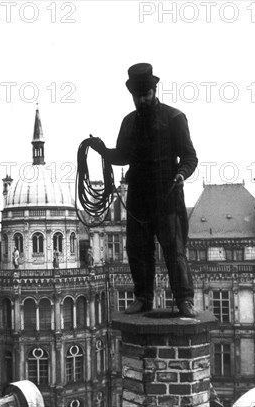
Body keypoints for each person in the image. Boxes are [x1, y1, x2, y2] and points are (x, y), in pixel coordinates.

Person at [92, 63, 198, 318]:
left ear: (154, 90)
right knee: (138, 250)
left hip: (168, 193)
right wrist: (102, 150)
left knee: (174, 249)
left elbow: (190, 157)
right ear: (133, 95)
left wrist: (182, 174)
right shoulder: (128, 123)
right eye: (138, 96)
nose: (142, 100)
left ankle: (184, 300)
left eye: (146, 94)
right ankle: (143, 298)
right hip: (138, 194)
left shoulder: (174, 118)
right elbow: (123, 156)